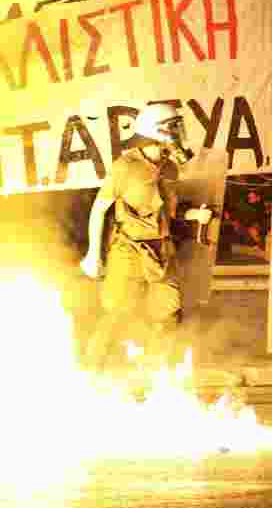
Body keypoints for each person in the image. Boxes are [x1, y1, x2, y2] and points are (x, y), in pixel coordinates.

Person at [80, 102, 212, 372]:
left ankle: (157, 374)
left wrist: (194, 216)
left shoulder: (170, 169)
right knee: (117, 313)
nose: (178, 133)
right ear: (156, 131)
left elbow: (167, 212)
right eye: (172, 127)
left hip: (161, 250)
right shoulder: (125, 167)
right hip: (127, 249)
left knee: (168, 314)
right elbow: (99, 208)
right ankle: (91, 371)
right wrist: (94, 253)